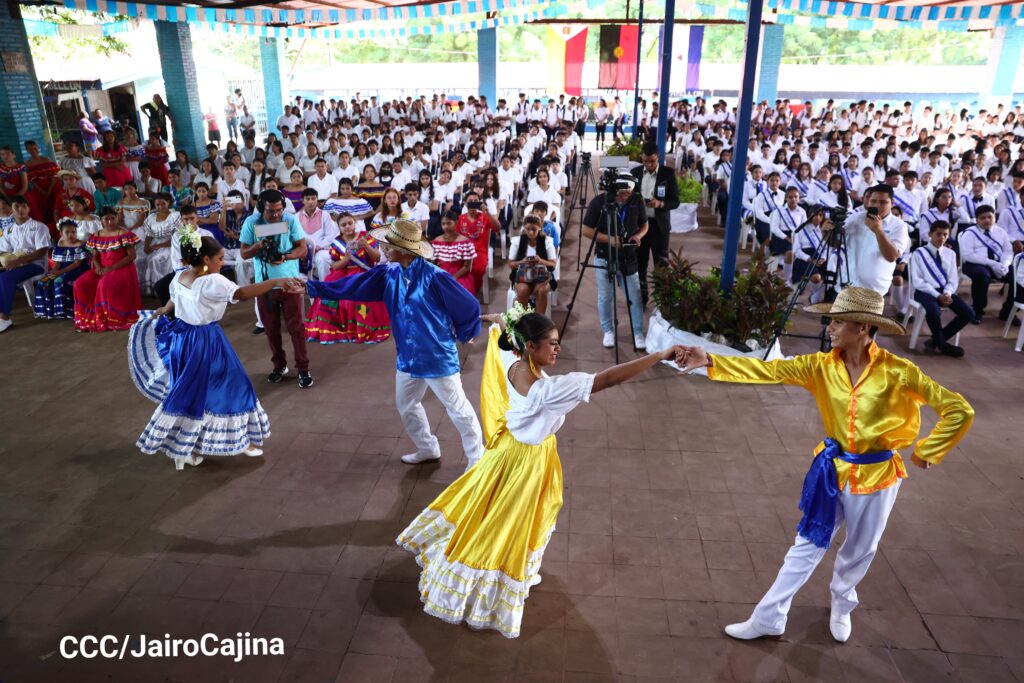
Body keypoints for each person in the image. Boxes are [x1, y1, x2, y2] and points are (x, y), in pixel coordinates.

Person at [677, 287, 973, 644]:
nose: (829, 328)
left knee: (859, 550)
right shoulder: (819, 366)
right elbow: (768, 370)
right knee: (805, 545)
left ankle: (842, 604)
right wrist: (710, 360)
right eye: (830, 321)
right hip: (831, 472)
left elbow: (958, 409)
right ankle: (769, 617)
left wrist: (928, 451)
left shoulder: (899, 372)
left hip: (878, 477)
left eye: (837, 322)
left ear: (863, 327)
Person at [397, 306, 686, 638]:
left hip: (509, 453)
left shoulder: (514, 361)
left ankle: (506, 566)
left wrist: (497, 319)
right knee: (514, 521)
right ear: (531, 345)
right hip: (526, 463)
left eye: (558, 342)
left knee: (502, 514)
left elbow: (507, 331)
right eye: (552, 343)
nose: (558, 349)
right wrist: (660, 355)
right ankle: (488, 580)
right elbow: (608, 378)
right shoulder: (548, 390)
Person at [305, 219, 484, 467]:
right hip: (407, 356)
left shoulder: (435, 277)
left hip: (436, 356)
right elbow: (352, 286)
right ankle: (427, 448)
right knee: (406, 404)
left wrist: (466, 332)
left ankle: (477, 457)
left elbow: (469, 305)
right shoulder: (389, 274)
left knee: (457, 408)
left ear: (403, 250)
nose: (383, 249)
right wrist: (313, 287)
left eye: (388, 245)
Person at [130, 230, 300, 470]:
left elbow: (173, 300)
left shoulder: (180, 275)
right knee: (235, 384)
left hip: (181, 339)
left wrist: (163, 310)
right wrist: (275, 282)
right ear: (206, 259)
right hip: (204, 341)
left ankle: (184, 449)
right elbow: (241, 293)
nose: (222, 262)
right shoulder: (212, 281)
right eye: (220, 258)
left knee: (191, 392)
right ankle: (234, 439)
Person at [239, 189, 313, 389]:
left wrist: (285, 256)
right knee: (271, 329)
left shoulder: (290, 220)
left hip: (290, 281)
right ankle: (279, 366)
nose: (276, 214)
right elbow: (244, 253)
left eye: (279, 210)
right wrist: (258, 246)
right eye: (271, 211)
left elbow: (302, 249)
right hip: (264, 284)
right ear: (261, 208)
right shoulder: (251, 223)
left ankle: (303, 368)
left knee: (296, 327)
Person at [581, 171, 648, 350]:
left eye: (628, 193)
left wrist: (638, 236)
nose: (624, 196)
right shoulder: (599, 202)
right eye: (621, 193)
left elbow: (645, 224)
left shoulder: (637, 200)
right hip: (604, 257)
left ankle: (638, 333)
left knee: (635, 297)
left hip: (629, 257)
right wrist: (609, 239)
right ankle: (608, 331)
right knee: (605, 297)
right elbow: (586, 230)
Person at [305, 213, 389, 344]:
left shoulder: (366, 237)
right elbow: (334, 266)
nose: (347, 227)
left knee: (360, 294)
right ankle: (340, 328)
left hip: (364, 274)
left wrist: (366, 246)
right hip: (344, 273)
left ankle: (361, 329)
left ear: (355, 223)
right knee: (328, 290)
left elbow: (377, 258)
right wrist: (346, 259)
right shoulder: (336, 243)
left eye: (350, 223)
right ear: (339, 227)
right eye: (343, 225)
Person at [73, 207, 142, 332]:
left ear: (117, 218)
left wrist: (112, 268)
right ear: (101, 220)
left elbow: (132, 256)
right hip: (103, 268)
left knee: (104, 284)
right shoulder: (96, 235)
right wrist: (98, 267)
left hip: (122, 267)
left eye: (113, 218)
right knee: (79, 284)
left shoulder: (123, 234)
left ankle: (109, 317)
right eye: (106, 219)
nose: (110, 222)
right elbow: (94, 256)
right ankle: (87, 315)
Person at [910, 220, 973, 357]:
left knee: (968, 313)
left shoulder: (950, 254)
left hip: (944, 291)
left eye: (945, 235)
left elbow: (953, 279)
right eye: (938, 234)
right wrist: (937, 295)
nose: (942, 238)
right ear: (930, 234)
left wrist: (947, 293)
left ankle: (936, 341)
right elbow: (918, 281)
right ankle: (943, 346)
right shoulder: (918, 253)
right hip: (924, 291)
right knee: (933, 311)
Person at [843, 184, 910, 298]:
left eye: (883, 202)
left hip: (873, 290)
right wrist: (826, 232)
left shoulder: (899, 226)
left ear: (892, 203)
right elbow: (835, 244)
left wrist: (878, 230)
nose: (877, 205)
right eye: (873, 201)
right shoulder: (855, 218)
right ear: (868, 201)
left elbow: (892, 256)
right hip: (847, 284)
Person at [0, 196, 52, 333]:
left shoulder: (39, 226)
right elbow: (4, 250)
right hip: (16, 265)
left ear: (29, 208)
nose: (20, 210)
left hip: (36, 266)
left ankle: (5, 318)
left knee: (6, 278)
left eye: (24, 206)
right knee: (3, 276)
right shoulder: (9, 230)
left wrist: (18, 261)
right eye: (16, 207)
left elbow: (42, 250)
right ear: (11, 210)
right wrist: (6, 260)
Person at [959, 204, 1014, 323]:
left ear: (995, 217)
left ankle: (1008, 311)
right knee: (981, 275)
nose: (987, 220)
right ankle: (977, 310)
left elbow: (1008, 251)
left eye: (990, 217)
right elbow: (967, 254)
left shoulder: (1001, 232)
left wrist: (1005, 264)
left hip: (998, 263)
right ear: (977, 220)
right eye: (982, 218)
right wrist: (991, 263)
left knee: (1017, 276)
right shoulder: (970, 233)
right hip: (975, 263)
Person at [33, 217, 89, 319]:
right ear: (61, 233)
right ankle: (49, 310)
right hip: (61, 270)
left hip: (76, 270)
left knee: (59, 282)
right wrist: (54, 270)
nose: (71, 235)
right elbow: (58, 261)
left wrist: (60, 272)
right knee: (43, 282)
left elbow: (77, 263)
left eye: (73, 232)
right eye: (67, 232)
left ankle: (63, 310)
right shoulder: (60, 245)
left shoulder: (79, 245)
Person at [508, 214, 556, 315]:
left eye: (534, 229)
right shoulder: (517, 241)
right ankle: (525, 319)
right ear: (524, 227)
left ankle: (539, 319)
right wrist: (521, 262)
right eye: (528, 229)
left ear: (539, 228)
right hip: (522, 277)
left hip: (542, 277)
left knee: (542, 290)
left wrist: (540, 261)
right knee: (522, 290)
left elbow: (553, 264)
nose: (530, 232)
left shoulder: (547, 241)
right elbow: (511, 264)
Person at [456, 190, 495, 294]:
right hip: (463, 252)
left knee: (477, 269)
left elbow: (497, 227)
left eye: (475, 201)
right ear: (465, 203)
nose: (473, 203)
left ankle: (471, 291)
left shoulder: (485, 217)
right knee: (455, 268)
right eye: (470, 201)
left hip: (479, 252)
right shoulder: (460, 219)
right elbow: (455, 238)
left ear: (480, 202)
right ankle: (465, 290)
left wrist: (488, 213)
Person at [431, 210, 476, 294]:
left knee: (459, 292)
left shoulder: (465, 242)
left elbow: (467, 266)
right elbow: (433, 264)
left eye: (449, 223)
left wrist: (453, 278)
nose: (446, 227)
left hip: (459, 275)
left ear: (456, 222)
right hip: (441, 273)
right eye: (443, 224)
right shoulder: (436, 241)